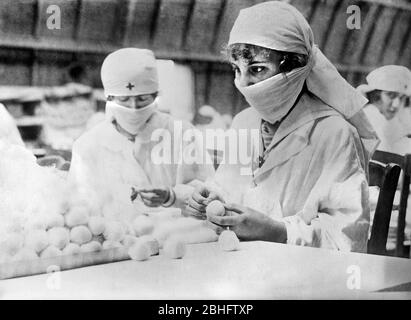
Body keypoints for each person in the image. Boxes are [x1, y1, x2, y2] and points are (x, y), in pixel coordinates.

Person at [184, 1, 379, 252]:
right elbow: (229, 186)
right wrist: (209, 198)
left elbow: (348, 238)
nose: (244, 83)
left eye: (257, 69)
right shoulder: (244, 122)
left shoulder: (334, 134)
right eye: (237, 70)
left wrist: (278, 232)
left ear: (295, 67)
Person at [68, 48, 214, 216]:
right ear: (109, 98)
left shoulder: (183, 134)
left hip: (178, 237)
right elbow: (78, 206)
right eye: (124, 100)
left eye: (142, 99)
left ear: (155, 95)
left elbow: (209, 197)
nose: (134, 108)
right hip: (114, 239)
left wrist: (172, 197)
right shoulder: (88, 145)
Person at [358, 65, 411, 154]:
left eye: (401, 98)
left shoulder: (391, 121)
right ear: (375, 96)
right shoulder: (369, 119)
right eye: (391, 95)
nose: (396, 104)